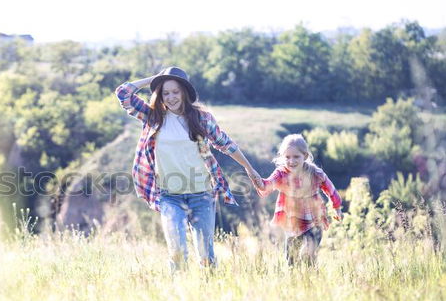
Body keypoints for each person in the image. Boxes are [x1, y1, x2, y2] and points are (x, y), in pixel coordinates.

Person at [115, 66, 261, 273]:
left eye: (176, 91)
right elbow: (123, 93)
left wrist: (249, 168)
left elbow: (226, 144)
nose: (171, 97)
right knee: (177, 251)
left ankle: (208, 293)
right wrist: (156, 78)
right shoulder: (153, 117)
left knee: (205, 255)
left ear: (184, 92)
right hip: (169, 196)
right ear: (160, 95)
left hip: (201, 195)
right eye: (166, 92)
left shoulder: (201, 119)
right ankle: (178, 294)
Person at [250, 133, 343, 266]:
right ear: (282, 157)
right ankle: (295, 280)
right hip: (292, 221)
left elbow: (331, 189)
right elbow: (267, 185)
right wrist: (257, 180)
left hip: (314, 220)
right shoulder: (281, 173)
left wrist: (337, 208)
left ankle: (310, 278)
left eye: (296, 157)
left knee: (308, 254)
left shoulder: (314, 173)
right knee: (291, 258)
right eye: (287, 157)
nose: (291, 161)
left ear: (305, 156)